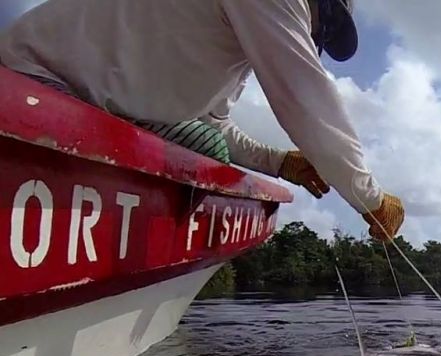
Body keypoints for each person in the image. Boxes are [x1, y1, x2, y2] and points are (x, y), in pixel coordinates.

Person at [0, 0, 404, 242]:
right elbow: (306, 104)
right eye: (323, 25)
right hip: (40, 77)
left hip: (93, 96)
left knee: (209, 148)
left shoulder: (228, 42)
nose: (313, 34)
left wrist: (283, 164)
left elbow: (213, 125)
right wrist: (370, 198)